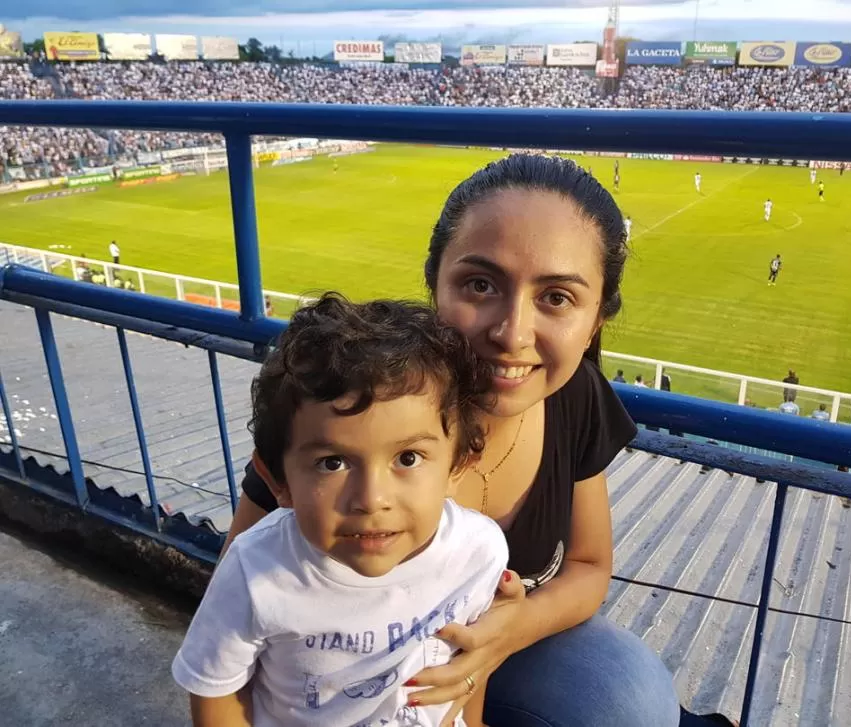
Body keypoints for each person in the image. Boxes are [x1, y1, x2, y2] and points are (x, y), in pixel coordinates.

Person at [221, 154, 683, 727]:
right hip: (340, 689)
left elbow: (588, 566)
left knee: (631, 697)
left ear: (596, 320)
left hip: (502, 660)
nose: (511, 333)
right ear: (434, 283)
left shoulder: (574, 394)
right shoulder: (352, 406)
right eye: (480, 284)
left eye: (557, 297)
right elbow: (233, 607)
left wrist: (506, 632)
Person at [172, 294, 508, 727]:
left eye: (407, 458)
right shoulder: (257, 570)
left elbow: (470, 658)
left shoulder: (479, 552)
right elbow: (215, 689)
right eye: (332, 463)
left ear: (457, 465)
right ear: (278, 481)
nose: (371, 499)